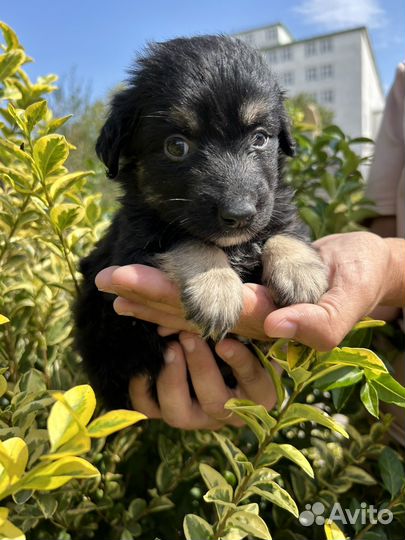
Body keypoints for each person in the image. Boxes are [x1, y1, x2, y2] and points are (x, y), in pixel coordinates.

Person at [95, 63, 405, 431]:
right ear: (127, 153)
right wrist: (195, 256)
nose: (238, 203)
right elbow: (133, 264)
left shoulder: (275, 216)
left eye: (258, 138)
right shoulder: (144, 221)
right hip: (135, 392)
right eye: (177, 146)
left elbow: (292, 236)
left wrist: (287, 248)